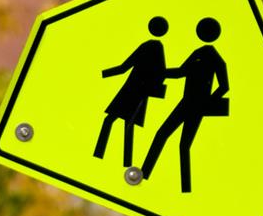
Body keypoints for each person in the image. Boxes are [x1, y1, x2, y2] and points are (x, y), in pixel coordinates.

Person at [141, 17, 229, 193]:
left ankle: (185, 189)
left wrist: (207, 102)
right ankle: (143, 176)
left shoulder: (215, 58)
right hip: (185, 102)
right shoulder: (198, 53)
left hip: (197, 106)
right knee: (162, 134)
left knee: (183, 145)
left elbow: (224, 86)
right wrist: (161, 73)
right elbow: (181, 72)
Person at [94, 16, 169, 167]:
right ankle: (125, 163)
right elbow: (161, 73)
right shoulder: (158, 48)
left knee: (110, 121)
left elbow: (124, 67)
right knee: (128, 127)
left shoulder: (148, 46)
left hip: (131, 90)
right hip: (139, 93)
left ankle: (99, 154)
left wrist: (101, 74)